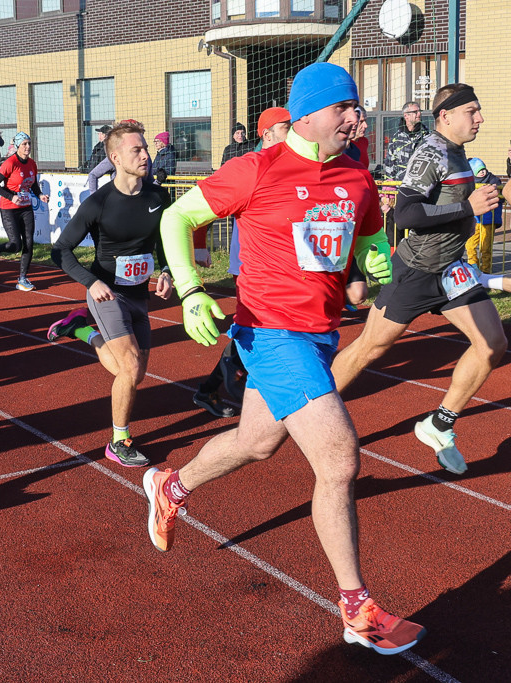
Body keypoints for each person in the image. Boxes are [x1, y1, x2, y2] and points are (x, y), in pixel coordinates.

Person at [146, 63, 425, 655]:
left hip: (322, 333)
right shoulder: (257, 168)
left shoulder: (356, 176)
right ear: (307, 114)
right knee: (340, 458)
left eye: (356, 107)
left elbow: (370, 229)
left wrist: (373, 261)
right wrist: (192, 290)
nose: (355, 117)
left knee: (256, 443)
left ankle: (172, 486)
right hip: (270, 333)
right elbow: (178, 217)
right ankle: (357, 609)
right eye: (343, 107)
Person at [331, 83, 506, 476]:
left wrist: (487, 197)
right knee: (369, 350)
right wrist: (468, 205)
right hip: (416, 271)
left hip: (452, 268)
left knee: (492, 345)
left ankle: (439, 424)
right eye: (472, 112)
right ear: (446, 116)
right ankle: (310, 410)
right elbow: (406, 216)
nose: (479, 118)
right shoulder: (429, 153)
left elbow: (468, 200)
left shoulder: (461, 153)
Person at [48, 121, 172, 468]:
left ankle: (80, 331)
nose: (146, 154)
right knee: (129, 367)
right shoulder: (98, 203)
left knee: (133, 371)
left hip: (138, 295)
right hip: (107, 294)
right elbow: (61, 250)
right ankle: (119, 440)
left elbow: (165, 240)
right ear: (116, 157)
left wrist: (167, 271)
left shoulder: (158, 196)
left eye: (146, 148)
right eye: (137, 150)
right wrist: (91, 282)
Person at [193, 106, 291, 419]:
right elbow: (198, 206)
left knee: (270, 327)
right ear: (269, 133)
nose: (296, 133)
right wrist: (198, 247)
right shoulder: (248, 166)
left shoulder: (295, 164)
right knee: (257, 325)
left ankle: (216, 384)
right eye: (288, 127)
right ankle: (233, 373)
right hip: (250, 263)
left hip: (282, 264)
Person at [0, 132, 49, 291]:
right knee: (15, 245)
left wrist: (40, 195)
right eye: (24, 144)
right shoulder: (10, 163)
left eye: (29, 143)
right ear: (17, 146)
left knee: (29, 243)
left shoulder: (32, 164)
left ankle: (22, 278)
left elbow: (33, 184)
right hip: (9, 208)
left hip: (26, 207)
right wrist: (11, 196)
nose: (28, 147)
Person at [382, 101, 429, 246]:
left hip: (420, 193)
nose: (419, 114)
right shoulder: (396, 139)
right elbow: (389, 167)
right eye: (415, 112)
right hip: (399, 194)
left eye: (419, 111)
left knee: (418, 236)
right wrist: (387, 195)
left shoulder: (427, 136)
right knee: (395, 235)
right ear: (406, 116)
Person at [465, 157, 502, 273]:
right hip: (474, 219)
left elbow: (497, 194)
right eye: (478, 170)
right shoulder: (470, 183)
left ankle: (486, 270)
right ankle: (473, 267)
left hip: (488, 219)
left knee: (485, 248)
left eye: (483, 169)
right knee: (470, 245)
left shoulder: (493, 180)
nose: (482, 171)